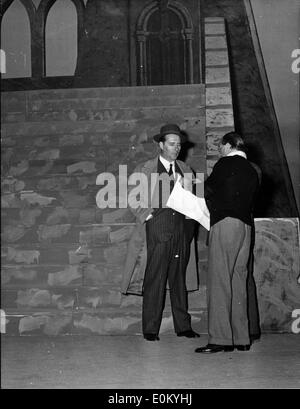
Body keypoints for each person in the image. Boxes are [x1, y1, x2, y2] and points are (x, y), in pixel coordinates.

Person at [121, 124, 199, 341]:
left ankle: (183, 327)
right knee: (154, 279)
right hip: (156, 230)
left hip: (181, 232)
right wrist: (148, 216)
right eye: (172, 144)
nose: (176, 149)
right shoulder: (145, 168)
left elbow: (194, 201)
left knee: (179, 280)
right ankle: (150, 329)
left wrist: (190, 227)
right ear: (161, 145)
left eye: (179, 145)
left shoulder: (187, 170)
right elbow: (133, 197)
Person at [195, 132, 259, 353]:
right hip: (246, 228)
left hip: (226, 225)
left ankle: (220, 339)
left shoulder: (225, 163)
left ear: (230, 146)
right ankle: (241, 338)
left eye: (221, 146)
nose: (219, 150)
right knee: (238, 280)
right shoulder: (252, 169)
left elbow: (207, 190)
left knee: (220, 279)